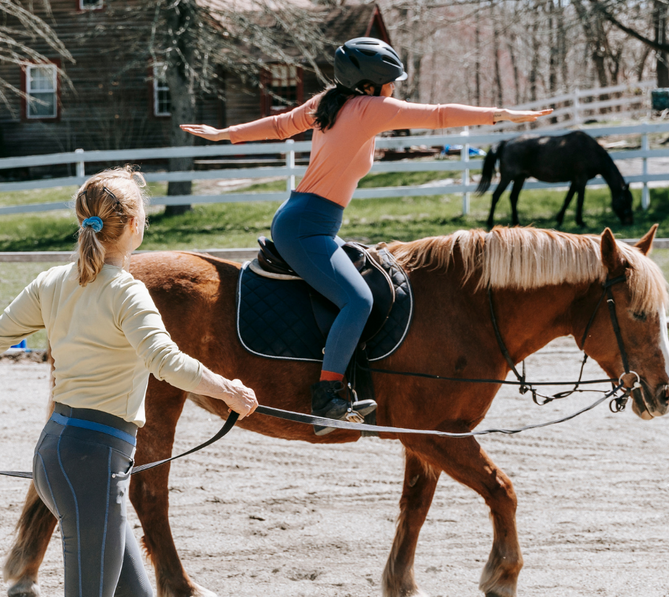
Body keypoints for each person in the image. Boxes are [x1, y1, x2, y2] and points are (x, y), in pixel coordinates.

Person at [181, 37, 551, 435]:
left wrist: (226, 134)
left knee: (367, 278)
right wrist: (501, 114)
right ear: (372, 85)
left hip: (307, 221)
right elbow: (440, 115)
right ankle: (327, 397)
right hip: (306, 227)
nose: (396, 88)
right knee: (357, 300)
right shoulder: (370, 109)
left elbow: (279, 125)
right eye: (391, 81)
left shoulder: (331, 102)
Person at [0, 167, 258, 597]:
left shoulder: (51, 283)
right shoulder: (126, 291)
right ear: (136, 226)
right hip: (93, 465)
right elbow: (165, 361)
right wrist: (228, 389)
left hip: (55, 455)